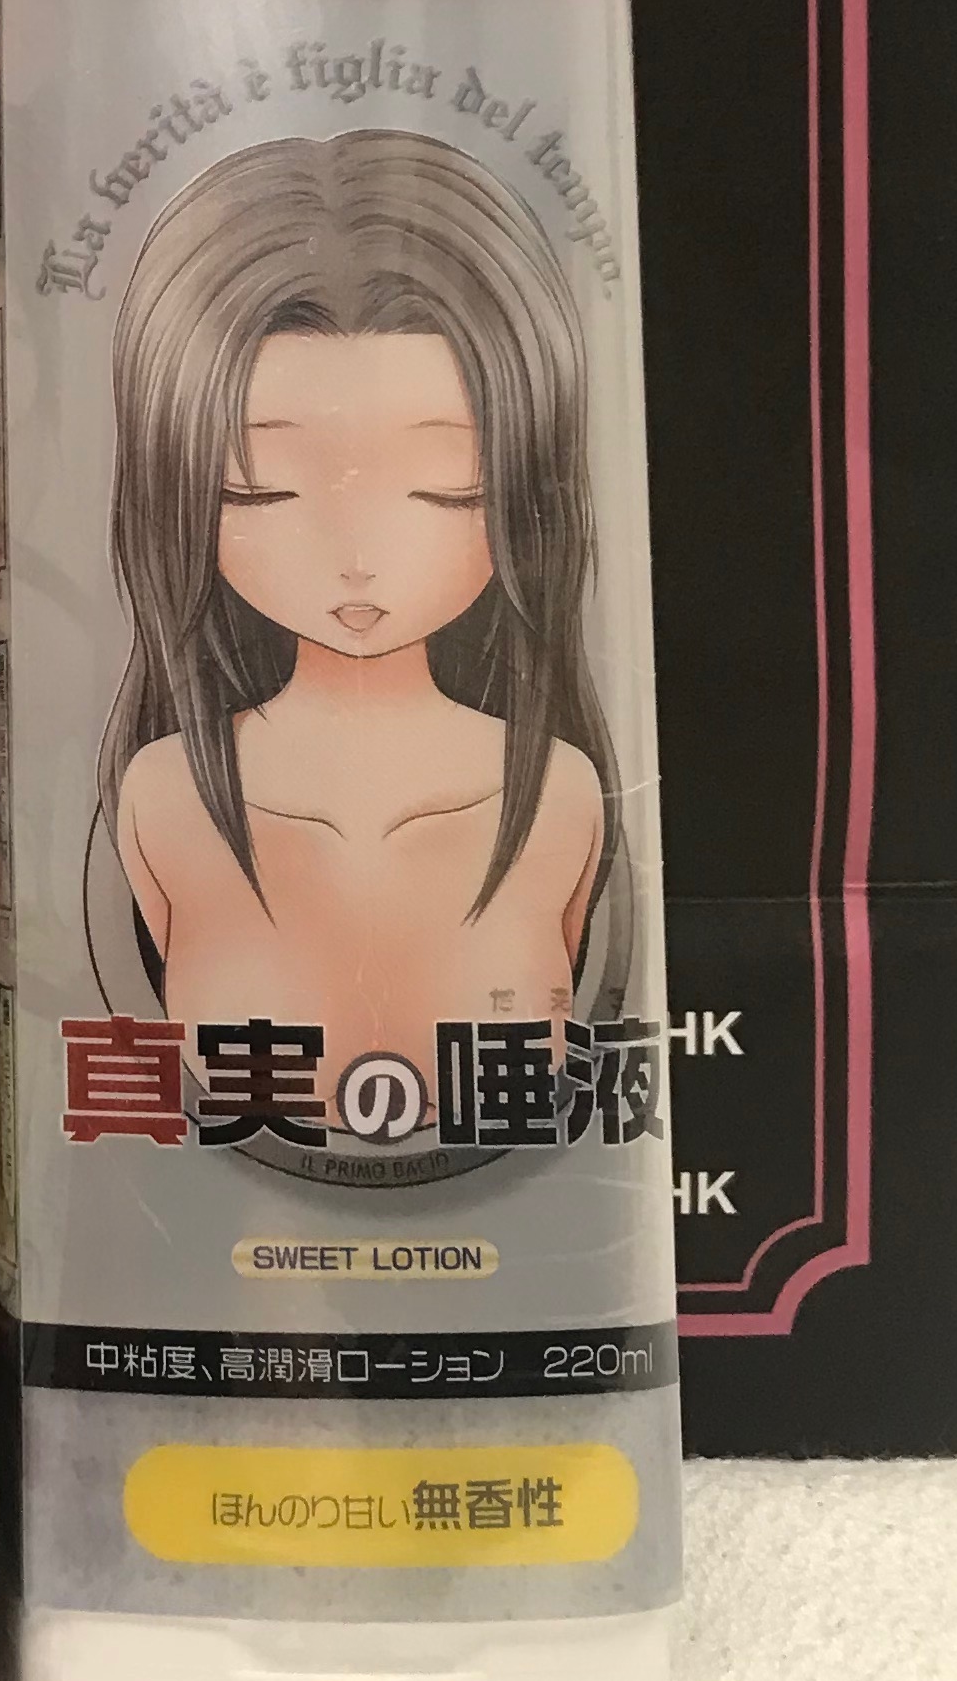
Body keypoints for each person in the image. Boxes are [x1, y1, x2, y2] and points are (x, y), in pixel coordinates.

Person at [100, 129, 629, 1137]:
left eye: (443, 490)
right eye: (262, 490)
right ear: (180, 496)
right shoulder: (163, 796)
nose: (356, 557)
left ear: (525, 487)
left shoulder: (562, 795)